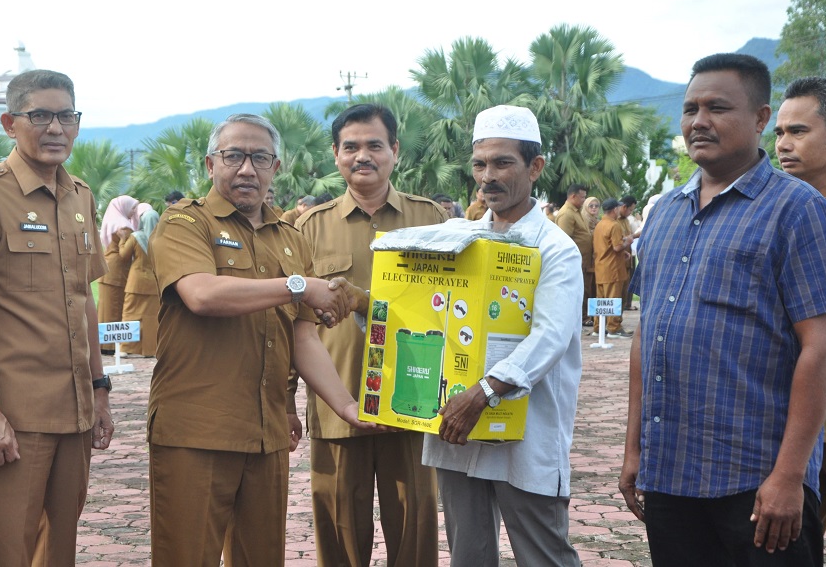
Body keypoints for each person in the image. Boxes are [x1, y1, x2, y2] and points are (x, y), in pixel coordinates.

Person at [619, 54, 826, 565]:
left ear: (760, 119)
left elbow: (822, 347)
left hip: (756, 482)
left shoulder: (799, 210)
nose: (699, 121)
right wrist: (635, 448)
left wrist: (790, 476)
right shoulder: (665, 214)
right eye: (690, 109)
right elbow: (646, 336)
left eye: (718, 107)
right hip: (672, 472)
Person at [147, 113, 379, 567]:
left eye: (260, 158)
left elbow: (302, 333)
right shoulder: (184, 223)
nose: (246, 169)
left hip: (266, 432)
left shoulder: (290, 238)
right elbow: (202, 295)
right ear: (211, 164)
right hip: (198, 430)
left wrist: (346, 406)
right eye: (233, 156)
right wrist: (297, 285)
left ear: (276, 167)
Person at [0, 70, 115, 566]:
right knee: (2, 549)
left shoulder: (80, 196)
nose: (55, 128)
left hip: (74, 409)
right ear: (9, 122)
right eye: (39, 115)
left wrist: (99, 391)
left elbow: (85, 297)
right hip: (13, 412)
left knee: (59, 547)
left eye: (66, 116)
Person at [422, 104, 582, 567]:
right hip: (458, 422)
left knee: (544, 555)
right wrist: (363, 305)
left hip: (523, 430)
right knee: (468, 555)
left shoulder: (557, 250)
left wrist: (485, 391)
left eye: (502, 163)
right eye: (480, 164)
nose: (487, 176)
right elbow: (428, 312)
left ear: (535, 167)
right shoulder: (463, 241)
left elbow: (549, 337)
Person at [296, 104, 447, 567]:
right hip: (336, 403)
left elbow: (451, 310)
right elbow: (290, 325)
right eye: (351, 147)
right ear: (336, 155)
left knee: (415, 530)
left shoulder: (433, 221)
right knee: (338, 532)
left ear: (394, 151)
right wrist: (285, 400)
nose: (363, 156)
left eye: (374, 145)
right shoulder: (307, 227)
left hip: (413, 404)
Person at [774, 76, 826, 533]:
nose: (784, 144)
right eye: (780, 132)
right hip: (794, 424)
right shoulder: (775, 208)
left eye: (798, 131)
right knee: (781, 544)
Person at [98, 195, 140, 354]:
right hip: (118, 270)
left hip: (107, 266)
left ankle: (102, 345)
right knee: (115, 306)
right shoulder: (125, 226)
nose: (133, 212)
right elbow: (127, 252)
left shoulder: (111, 221)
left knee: (104, 306)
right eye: (132, 208)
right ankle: (111, 346)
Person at [119, 208, 160, 357]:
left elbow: (124, 256)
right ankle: (151, 349)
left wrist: (123, 239)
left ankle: (126, 348)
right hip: (155, 284)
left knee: (130, 314)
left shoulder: (136, 237)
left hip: (136, 283)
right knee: (152, 318)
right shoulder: (162, 239)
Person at [592, 198, 632, 339]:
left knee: (601, 299)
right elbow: (616, 247)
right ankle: (614, 327)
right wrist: (628, 240)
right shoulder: (614, 225)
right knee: (613, 298)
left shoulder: (599, 224)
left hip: (600, 267)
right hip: (613, 268)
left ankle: (598, 327)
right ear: (615, 209)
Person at [555, 183, 593, 327]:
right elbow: (564, 241)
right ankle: (574, 320)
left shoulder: (576, 211)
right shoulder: (566, 214)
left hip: (582, 261)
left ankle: (582, 318)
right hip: (572, 262)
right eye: (582, 197)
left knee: (582, 291)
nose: (584, 200)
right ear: (573, 196)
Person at [617, 195, 638, 309]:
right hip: (616, 261)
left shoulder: (625, 220)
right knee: (616, 292)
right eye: (630, 209)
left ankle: (617, 321)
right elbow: (617, 240)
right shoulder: (615, 220)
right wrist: (634, 235)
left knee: (625, 290)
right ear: (624, 207)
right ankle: (612, 323)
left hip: (626, 259)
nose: (630, 212)